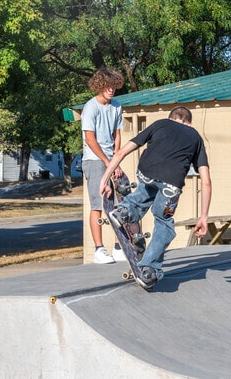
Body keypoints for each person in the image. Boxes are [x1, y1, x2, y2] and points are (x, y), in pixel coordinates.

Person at [99, 106, 212, 289]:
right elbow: (206, 181)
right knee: (164, 222)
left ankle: (125, 211)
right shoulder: (195, 137)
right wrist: (204, 217)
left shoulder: (160, 124)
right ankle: (149, 269)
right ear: (189, 123)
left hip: (147, 172)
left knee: (146, 189)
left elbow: (121, 152)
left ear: (170, 118)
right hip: (171, 185)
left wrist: (104, 180)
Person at [81, 67, 126, 264]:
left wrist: (116, 160)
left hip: (111, 159)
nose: (111, 90)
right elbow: (90, 139)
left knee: (120, 203)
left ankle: (118, 247)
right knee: (98, 205)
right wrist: (108, 162)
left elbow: (117, 135)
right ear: (99, 86)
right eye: (107, 86)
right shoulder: (90, 107)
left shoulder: (116, 106)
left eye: (114, 86)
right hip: (94, 159)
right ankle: (99, 250)